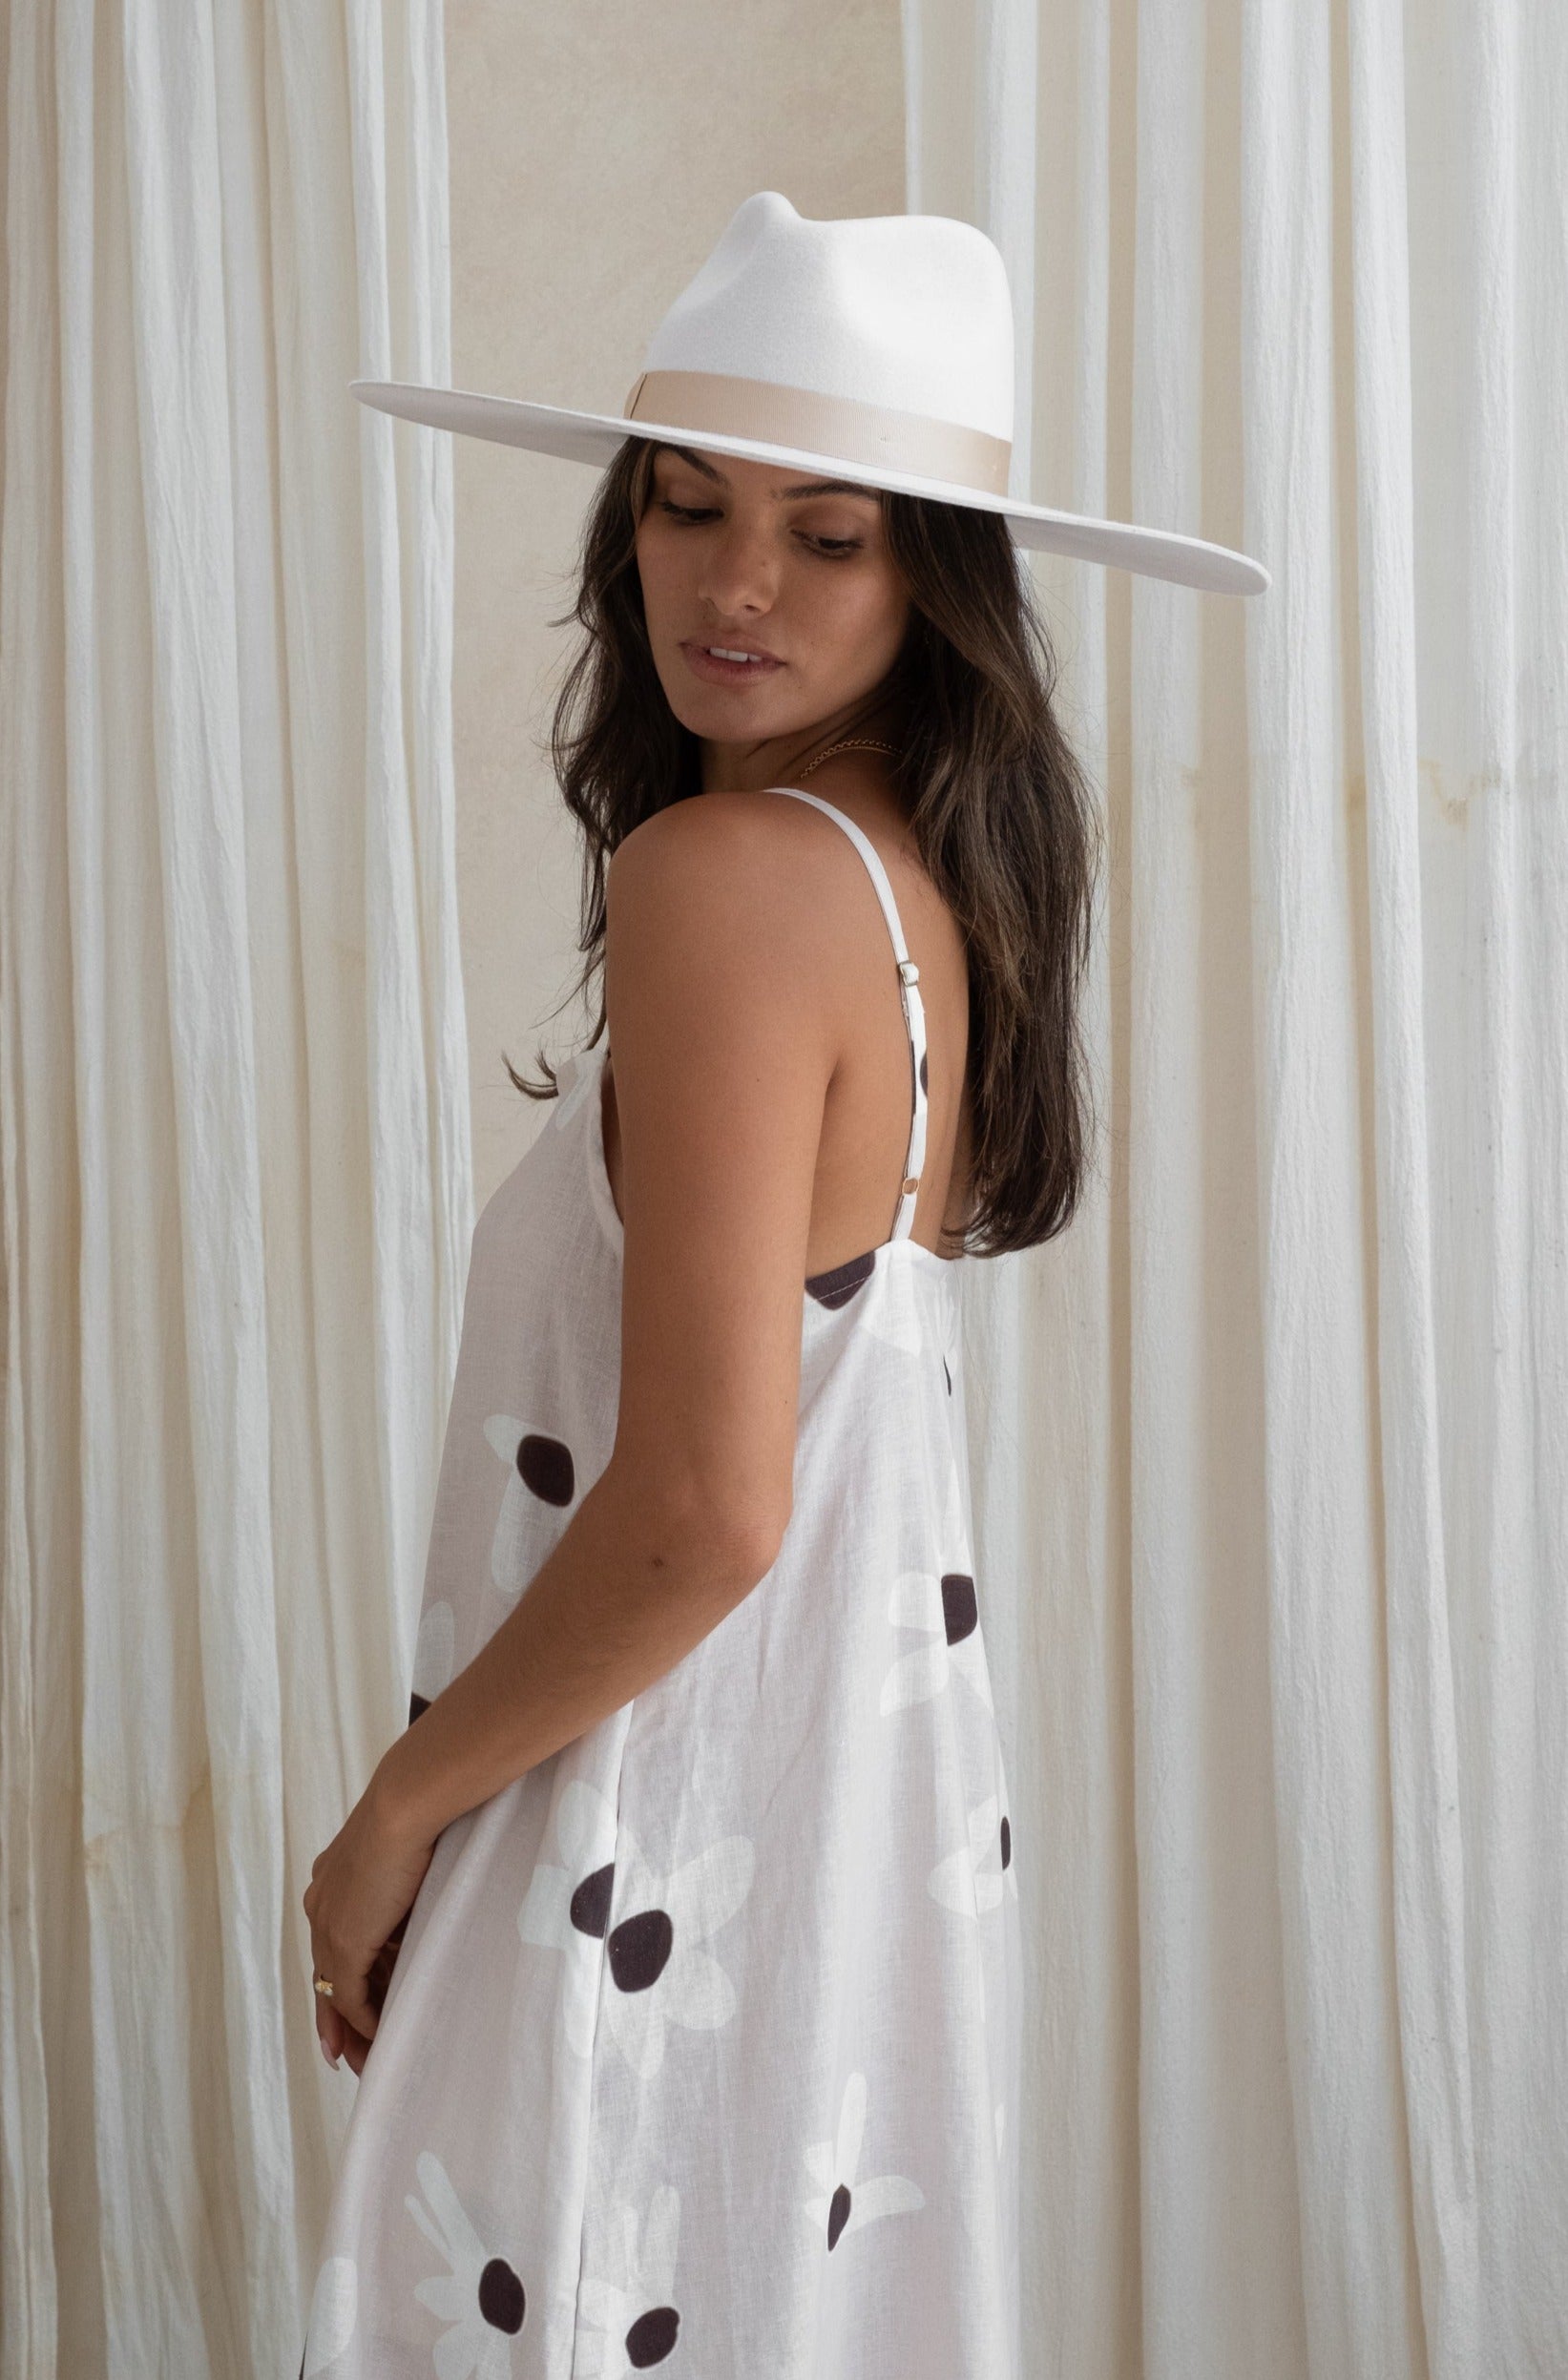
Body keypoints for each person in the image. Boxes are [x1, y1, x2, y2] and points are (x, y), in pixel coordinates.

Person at [300, 193, 1265, 2378]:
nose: (733, 582)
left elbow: (710, 1501)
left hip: (637, 1843)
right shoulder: (905, 891)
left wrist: (393, 1814)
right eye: (688, 502)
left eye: (829, 535)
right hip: (824, 1869)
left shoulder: (727, 878)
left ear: (937, 577)